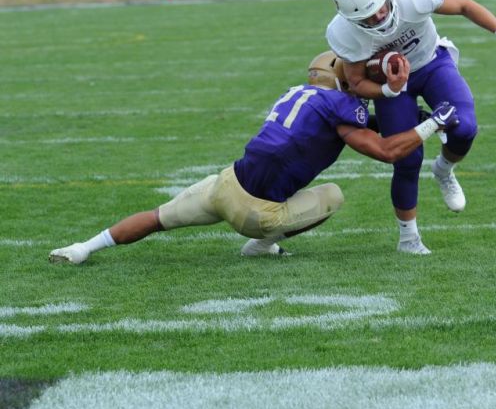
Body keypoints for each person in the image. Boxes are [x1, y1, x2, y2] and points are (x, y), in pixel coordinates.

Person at [49, 52, 459, 265]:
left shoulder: (301, 94)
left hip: (225, 183)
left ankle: (83, 248)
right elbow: (386, 151)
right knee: (333, 195)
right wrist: (432, 123)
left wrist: (399, 113)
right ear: (339, 80)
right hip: (256, 214)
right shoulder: (340, 108)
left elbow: (350, 123)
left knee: (159, 218)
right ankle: (263, 246)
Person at [326, 0, 496, 254]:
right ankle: (408, 239)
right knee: (406, 159)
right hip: (391, 85)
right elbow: (357, 81)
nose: (378, 16)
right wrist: (389, 89)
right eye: (367, 16)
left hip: (432, 63)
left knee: (464, 127)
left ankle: (444, 170)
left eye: (380, 7)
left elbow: (463, 5)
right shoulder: (343, 32)